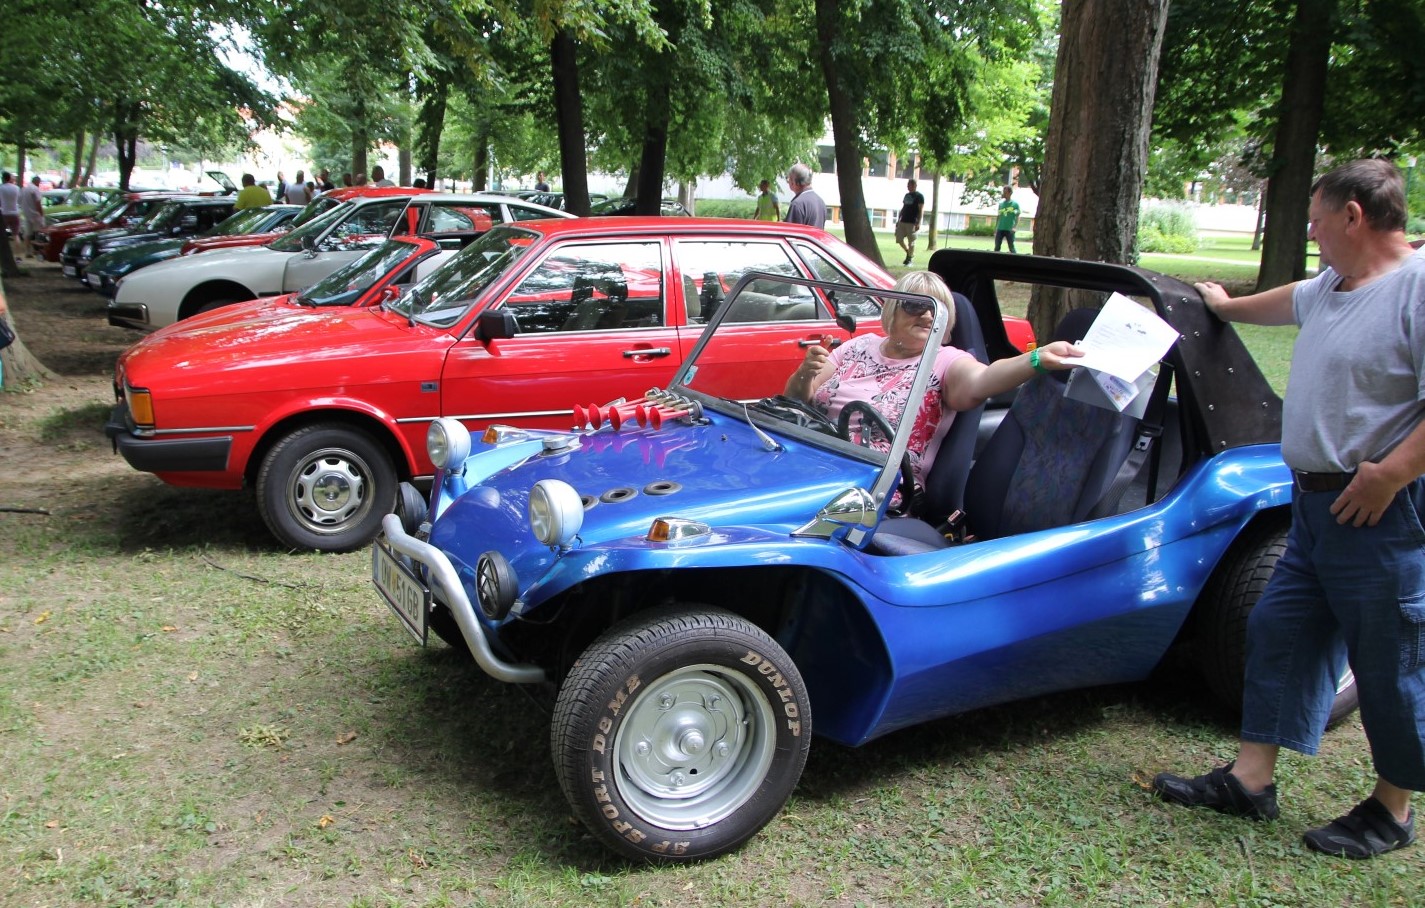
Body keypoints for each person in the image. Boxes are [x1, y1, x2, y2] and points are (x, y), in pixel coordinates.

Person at [1152, 159, 1424, 860]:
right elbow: (1283, 301)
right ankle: (1250, 780)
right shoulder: (1335, 284)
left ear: (1353, 216)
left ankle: (1391, 812)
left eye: (1314, 219)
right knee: (1279, 629)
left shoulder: (1414, 288)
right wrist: (1219, 306)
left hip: (1376, 509)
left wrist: (1390, 475)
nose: (1310, 232)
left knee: (1387, 656)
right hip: (1311, 504)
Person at [783, 270, 1081, 489]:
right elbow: (796, 400)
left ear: (947, 321)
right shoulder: (857, 346)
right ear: (893, 310)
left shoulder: (945, 361)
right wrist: (804, 373)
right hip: (811, 462)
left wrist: (1036, 358)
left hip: (873, 488)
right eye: (915, 306)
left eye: (937, 311)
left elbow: (985, 379)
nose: (927, 315)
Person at [784, 163, 827, 229]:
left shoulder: (797, 204)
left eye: (789, 179)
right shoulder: (821, 202)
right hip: (815, 239)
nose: (788, 181)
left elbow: (789, 233)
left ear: (795, 183)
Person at [895, 179, 925, 265]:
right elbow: (904, 207)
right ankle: (908, 252)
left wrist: (918, 222)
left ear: (914, 186)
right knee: (899, 239)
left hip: (912, 222)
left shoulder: (920, 196)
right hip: (903, 221)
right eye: (908, 185)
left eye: (910, 185)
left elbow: (921, 210)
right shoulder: (906, 195)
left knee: (911, 242)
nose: (908, 187)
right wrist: (898, 219)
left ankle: (909, 260)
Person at [20, 175, 45, 256]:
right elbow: (38, 203)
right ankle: (37, 250)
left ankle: (27, 251)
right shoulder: (35, 189)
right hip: (35, 215)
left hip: (27, 215)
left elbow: (20, 201)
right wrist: (41, 214)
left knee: (28, 234)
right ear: (37, 182)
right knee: (38, 233)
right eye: (39, 183)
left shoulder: (24, 189)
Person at [0, 172, 22, 259]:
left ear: (3, 178)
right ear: (10, 178)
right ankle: (18, 256)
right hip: (15, 213)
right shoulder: (16, 188)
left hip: (4, 213)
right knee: (16, 235)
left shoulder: (1, 188)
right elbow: (19, 200)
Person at [994, 186, 1020, 253]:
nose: (1004, 194)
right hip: (1000, 228)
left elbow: (1017, 216)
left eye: (1005, 192)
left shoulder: (1015, 204)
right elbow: (998, 216)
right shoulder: (1001, 204)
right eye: (1003, 192)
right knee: (997, 247)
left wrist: (1014, 227)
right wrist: (996, 228)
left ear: (1010, 193)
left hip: (1010, 229)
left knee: (1011, 247)